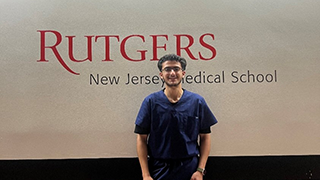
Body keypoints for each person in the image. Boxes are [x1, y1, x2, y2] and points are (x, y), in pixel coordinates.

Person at [134, 54, 218, 180]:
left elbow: (205, 137)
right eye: (167, 69)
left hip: (190, 169)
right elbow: (141, 138)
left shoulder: (197, 101)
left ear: (183, 73)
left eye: (176, 69)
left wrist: (200, 170)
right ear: (161, 75)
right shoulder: (150, 102)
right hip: (159, 169)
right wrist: (146, 175)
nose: (172, 73)